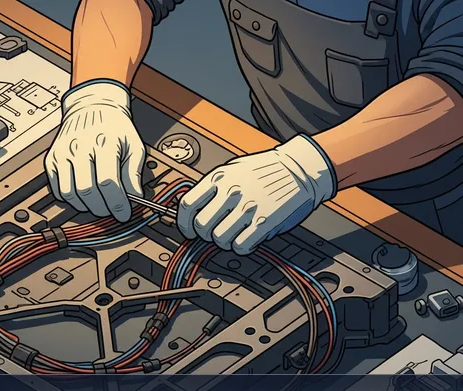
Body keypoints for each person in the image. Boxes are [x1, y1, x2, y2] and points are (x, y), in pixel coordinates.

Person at [44, 0, 463, 254]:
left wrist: (308, 168)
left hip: (423, 207)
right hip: (263, 165)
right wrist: (96, 94)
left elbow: (453, 84)